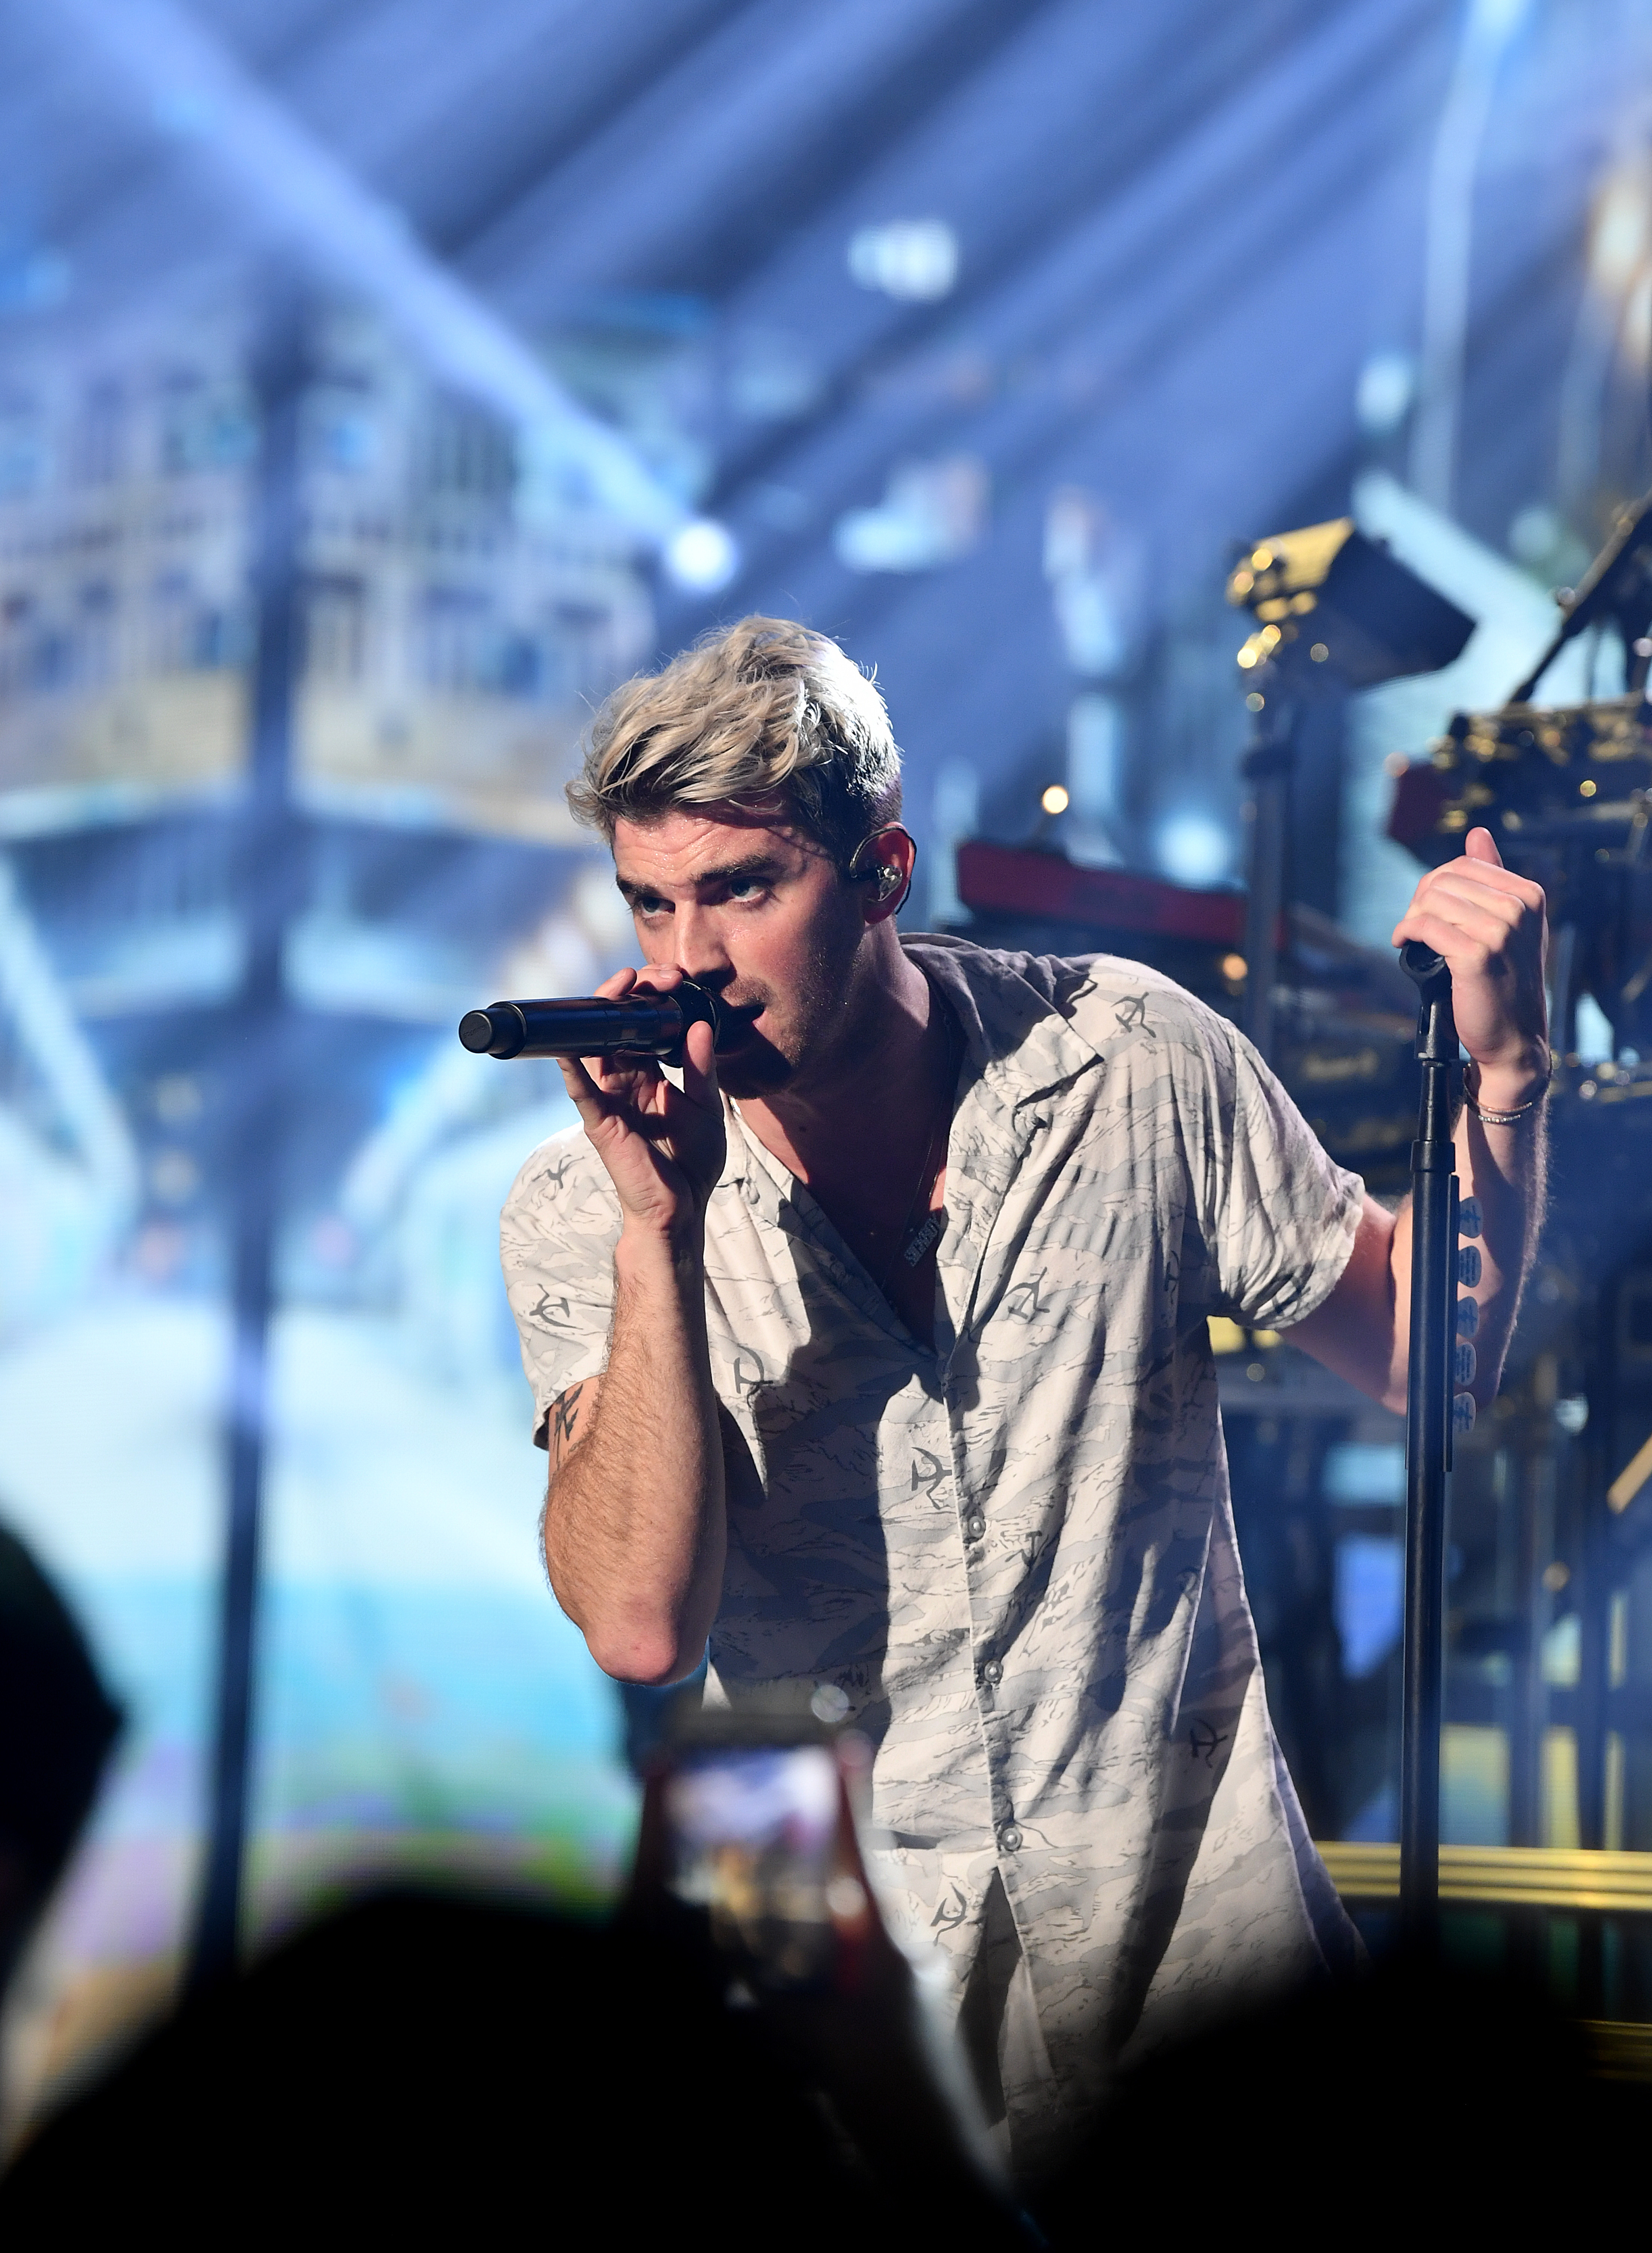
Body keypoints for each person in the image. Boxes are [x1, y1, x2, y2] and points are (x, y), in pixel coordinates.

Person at [499, 615, 1549, 2172]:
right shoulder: (581, 1203)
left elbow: (1424, 1356)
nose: (688, 961)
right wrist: (662, 1231)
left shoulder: (1127, 1061)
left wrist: (1509, 1077)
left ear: (879, 873)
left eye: (741, 888)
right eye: (651, 904)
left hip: (1202, 1976)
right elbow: (640, 1628)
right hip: (846, 2033)